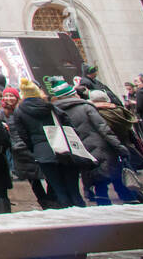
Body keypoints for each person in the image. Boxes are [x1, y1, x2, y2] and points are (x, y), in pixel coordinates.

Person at [48, 77, 137, 205]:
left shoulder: (55, 112)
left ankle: (102, 205)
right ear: (73, 94)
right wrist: (119, 146)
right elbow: (103, 129)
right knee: (115, 176)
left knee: (97, 182)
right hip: (101, 147)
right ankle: (132, 208)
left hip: (80, 150)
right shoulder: (86, 107)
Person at [12, 80, 84, 208]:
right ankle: (83, 215)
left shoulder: (19, 111)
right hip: (63, 148)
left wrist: (34, 147)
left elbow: (23, 134)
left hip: (42, 152)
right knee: (73, 189)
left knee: (58, 188)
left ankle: (67, 215)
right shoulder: (50, 106)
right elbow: (68, 123)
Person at [4, 83, 51, 209]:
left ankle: (51, 200)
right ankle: (44, 202)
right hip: (19, 150)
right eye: (6, 95)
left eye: (11, 95)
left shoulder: (22, 109)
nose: (9, 98)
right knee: (32, 178)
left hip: (31, 146)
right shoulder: (2, 113)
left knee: (46, 174)